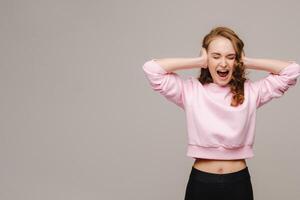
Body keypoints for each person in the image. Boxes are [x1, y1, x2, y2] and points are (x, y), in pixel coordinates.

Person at [142, 26, 300, 200]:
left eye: (230, 57)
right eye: (216, 56)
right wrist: (198, 61)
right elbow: (152, 69)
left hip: (238, 184)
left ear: (237, 60)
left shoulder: (250, 92)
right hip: (201, 183)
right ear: (206, 59)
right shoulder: (190, 90)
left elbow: (292, 71)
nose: (223, 63)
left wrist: (247, 61)